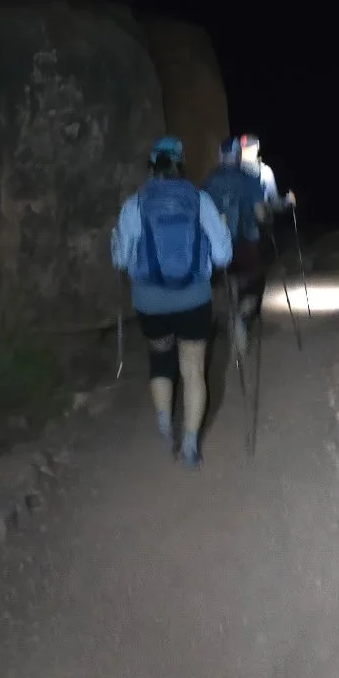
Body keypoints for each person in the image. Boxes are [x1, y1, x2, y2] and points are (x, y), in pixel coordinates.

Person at [111, 135, 232, 467]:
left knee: (161, 359)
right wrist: (221, 232)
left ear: (151, 166)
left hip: (151, 301)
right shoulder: (200, 200)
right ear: (180, 163)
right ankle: (191, 446)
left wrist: (117, 241)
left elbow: (121, 260)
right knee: (194, 370)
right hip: (194, 298)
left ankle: (165, 429)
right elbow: (223, 256)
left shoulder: (134, 204)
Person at [203, 136, 273, 356]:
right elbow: (261, 214)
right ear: (238, 155)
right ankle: (241, 317)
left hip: (220, 244)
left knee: (230, 284)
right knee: (253, 285)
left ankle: (235, 319)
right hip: (246, 241)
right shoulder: (249, 179)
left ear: (220, 155)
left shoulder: (209, 182)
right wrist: (267, 219)